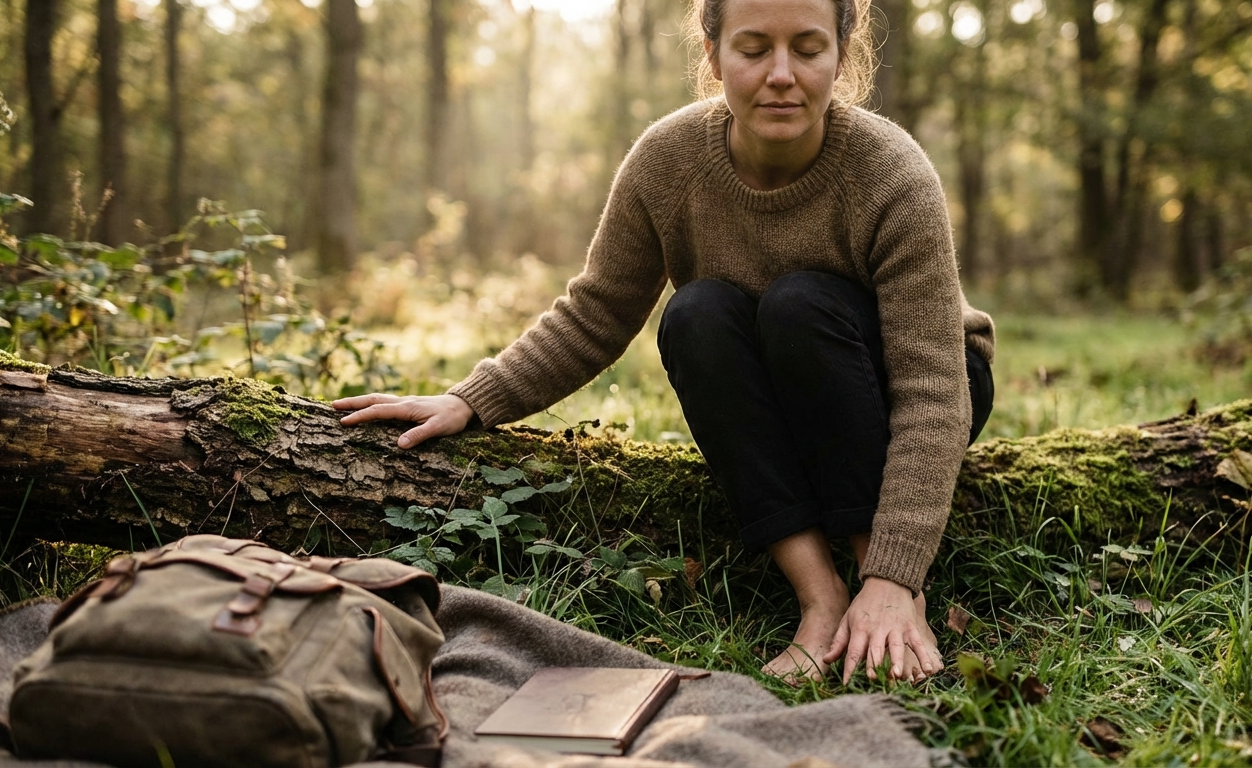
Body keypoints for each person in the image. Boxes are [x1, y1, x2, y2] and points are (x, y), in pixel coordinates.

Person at [334, 0, 994, 685]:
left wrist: (895, 573)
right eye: (752, 49)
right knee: (696, 312)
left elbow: (932, 386)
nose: (780, 74)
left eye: (807, 48)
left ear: (841, 53)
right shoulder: (669, 162)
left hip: (921, 384)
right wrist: (472, 399)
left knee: (801, 303)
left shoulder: (890, 174)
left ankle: (880, 594)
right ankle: (819, 596)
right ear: (712, 56)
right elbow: (596, 311)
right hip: (792, 386)